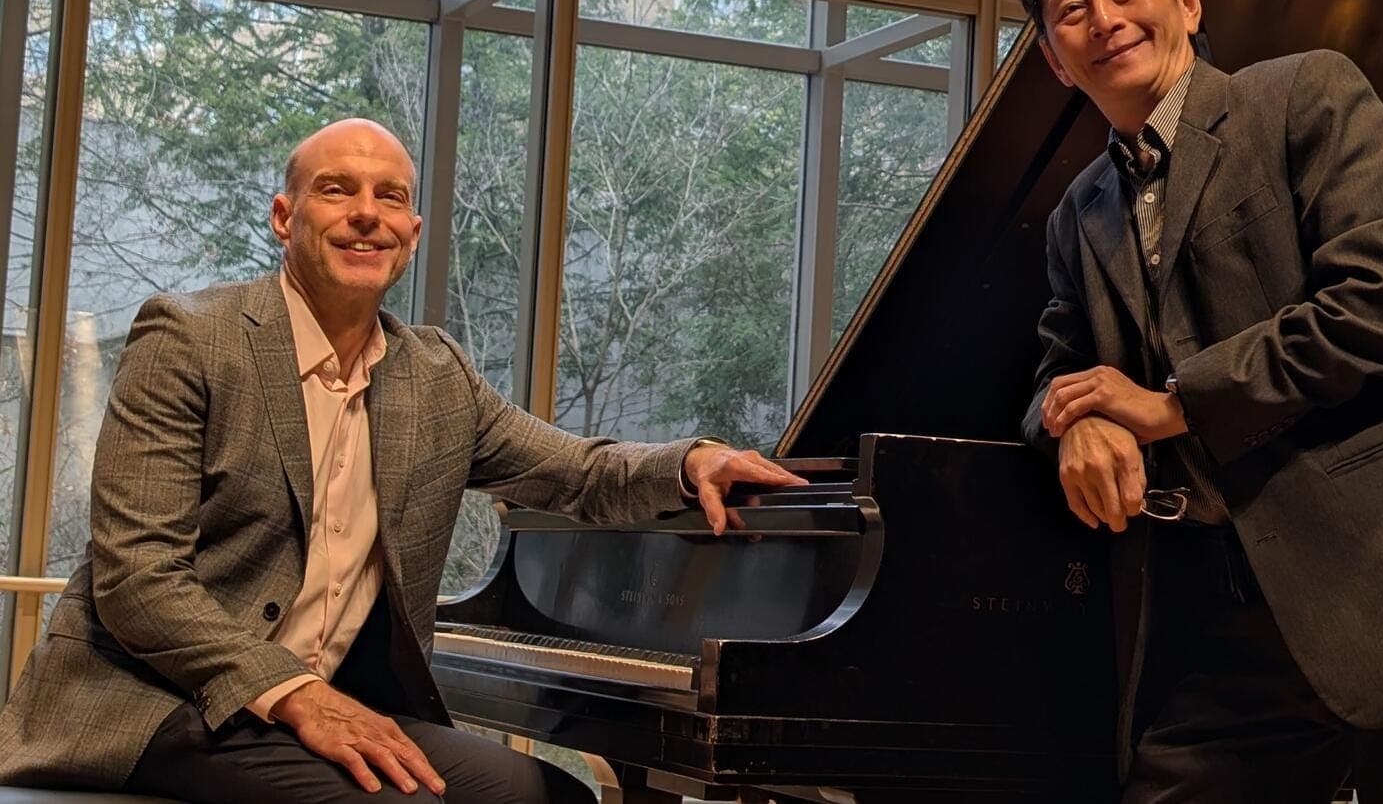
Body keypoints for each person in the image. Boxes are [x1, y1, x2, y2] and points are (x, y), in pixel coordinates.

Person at [0, 118, 805, 802]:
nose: (366, 214)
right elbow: (139, 578)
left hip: (312, 707)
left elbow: (577, 471)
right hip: (156, 698)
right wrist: (297, 692)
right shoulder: (189, 338)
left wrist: (690, 460)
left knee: (550, 794)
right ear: (283, 216)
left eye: (390, 196)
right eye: (336, 189)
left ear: (412, 233)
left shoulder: (435, 374)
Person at [1015, 0, 1383, 803]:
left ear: (1187, 0)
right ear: (1053, 57)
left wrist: (1172, 405)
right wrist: (1072, 426)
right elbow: (1054, 376)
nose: (1104, 19)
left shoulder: (1306, 93)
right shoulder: (1078, 212)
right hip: (1223, 618)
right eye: (1071, 10)